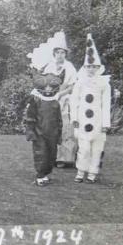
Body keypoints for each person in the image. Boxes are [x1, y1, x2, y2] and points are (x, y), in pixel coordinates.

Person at [71, 34, 111, 184]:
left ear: (98, 67)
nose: (91, 69)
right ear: (84, 67)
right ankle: (81, 171)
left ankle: (92, 173)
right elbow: (74, 100)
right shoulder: (80, 82)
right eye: (88, 66)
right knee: (84, 148)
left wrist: (106, 123)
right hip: (83, 119)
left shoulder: (104, 83)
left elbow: (106, 103)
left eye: (94, 66)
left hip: (98, 120)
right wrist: (74, 118)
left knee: (97, 148)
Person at [40, 31, 78, 168]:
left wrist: (61, 93)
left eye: (62, 53)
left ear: (65, 54)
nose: (60, 55)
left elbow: (73, 86)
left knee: (65, 128)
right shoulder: (49, 66)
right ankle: (52, 156)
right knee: (51, 127)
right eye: (58, 52)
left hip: (65, 100)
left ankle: (64, 158)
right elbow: (44, 83)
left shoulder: (70, 67)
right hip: (51, 99)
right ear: (54, 53)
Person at [24, 73, 63, 186]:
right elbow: (30, 117)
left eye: (50, 87)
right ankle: (40, 175)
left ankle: (46, 174)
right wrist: (30, 131)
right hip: (39, 133)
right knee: (41, 154)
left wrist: (59, 134)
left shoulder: (55, 102)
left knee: (51, 155)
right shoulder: (36, 100)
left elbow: (59, 119)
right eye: (46, 87)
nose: (48, 89)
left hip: (53, 134)